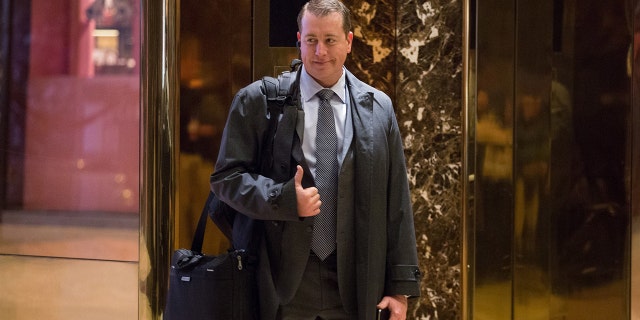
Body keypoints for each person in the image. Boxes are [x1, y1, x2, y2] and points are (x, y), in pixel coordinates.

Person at [210, 1, 421, 319]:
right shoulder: (257, 101)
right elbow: (225, 178)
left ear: (349, 42)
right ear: (299, 39)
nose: (320, 51)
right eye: (311, 40)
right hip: (279, 285)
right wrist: (281, 198)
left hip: (356, 285)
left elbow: (397, 205)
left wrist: (400, 287)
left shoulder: (379, 109)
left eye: (330, 40)